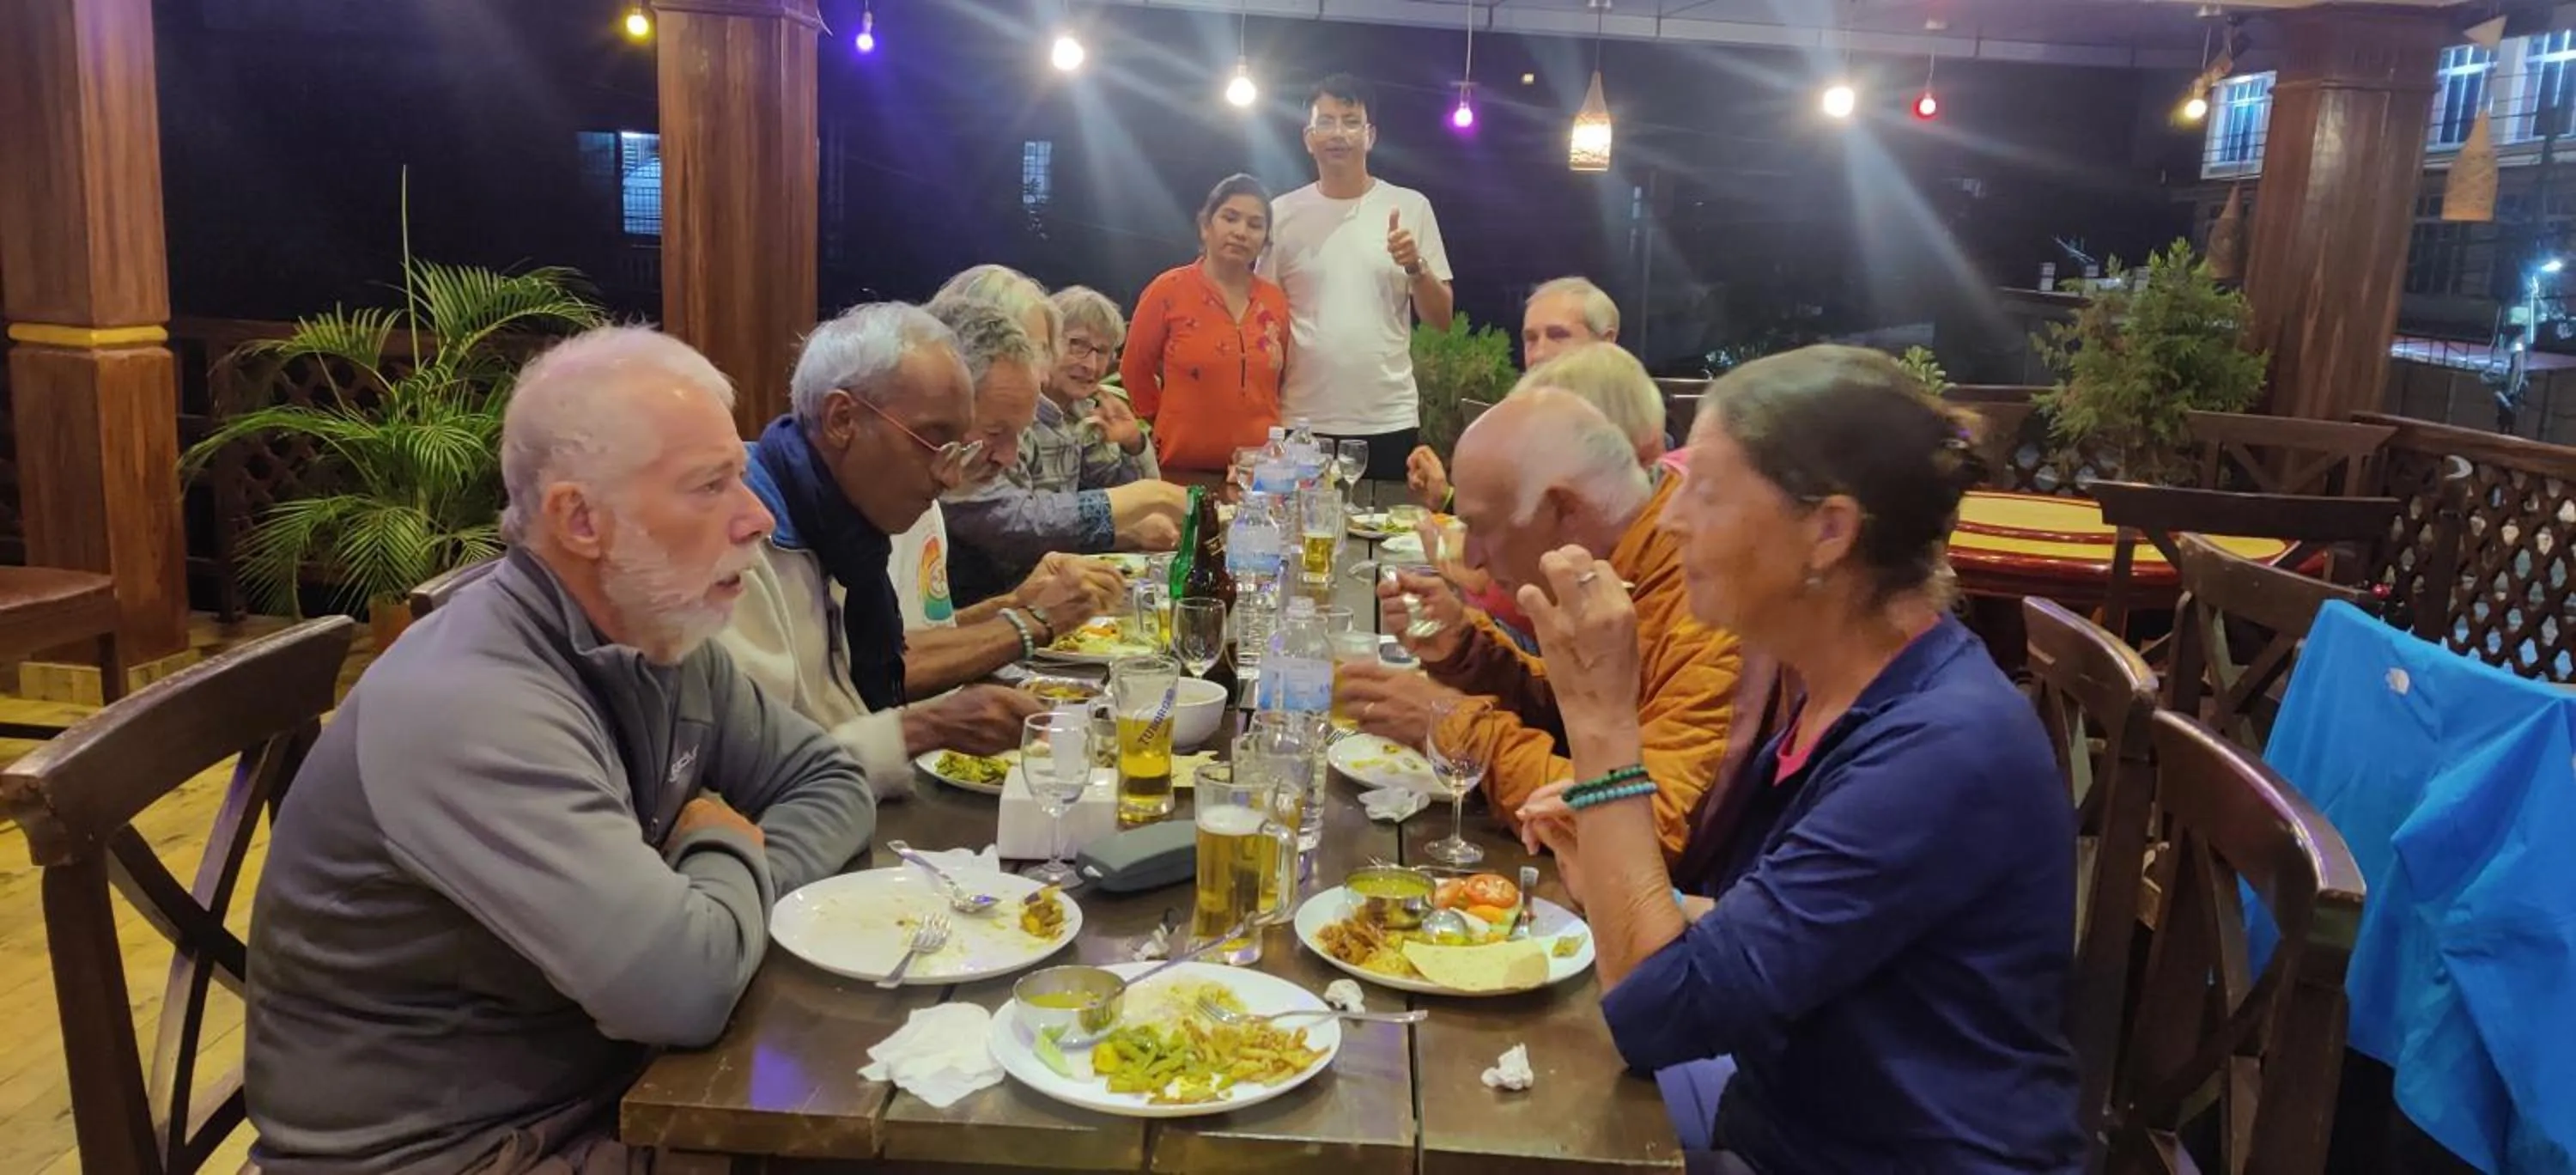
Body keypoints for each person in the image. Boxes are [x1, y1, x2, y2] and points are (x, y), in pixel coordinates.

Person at [246, 327, 880, 1175]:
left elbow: (831, 779)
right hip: (468, 1153)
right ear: (581, 519)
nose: (757, 515)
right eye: (710, 485)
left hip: (615, 1090)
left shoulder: (660, 635)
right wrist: (720, 841)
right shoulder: (472, 708)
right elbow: (684, 993)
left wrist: (716, 909)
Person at [1513, 345, 2084, 1173]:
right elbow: (1783, 929)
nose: (1670, 519)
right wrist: (1616, 866)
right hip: (1789, 1119)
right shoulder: (1839, 689)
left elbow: (1654, 1014)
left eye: (1704, 491)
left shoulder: (1941, 750)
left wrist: (1602, 727)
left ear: (1828, 531)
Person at [1333, 389, 1742, 861]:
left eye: (1481, 527)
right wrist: (1468, 654)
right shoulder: (1629, 557)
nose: (1470, 557)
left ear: (1564, 509)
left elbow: (1649, 832)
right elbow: (1586, 717)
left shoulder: (1702, 596)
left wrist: (1453, 728)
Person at [720, 301, 1089, 801]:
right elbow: (752, 778)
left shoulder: (851, 522)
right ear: (841, 418)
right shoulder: (737, 543)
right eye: (935, 442)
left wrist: (1010, 609)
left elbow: (893, 661)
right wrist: (922, 728)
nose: (952, 474)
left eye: (963, 446)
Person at [939, 265, 1188, 606]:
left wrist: (1134, 447)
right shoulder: (945, 441)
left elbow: (1100, 498)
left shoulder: (1078, 413)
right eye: (1031, 350)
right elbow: (1013, 523)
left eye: (1102, 352)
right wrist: (1146, 499)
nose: (1042, 371)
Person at [1264, 73, 1454, 482]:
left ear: (1370, 136)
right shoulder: (1281, 214)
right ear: (1308, 137)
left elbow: (1441, 319)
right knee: (1300, 540)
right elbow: (1265, 316)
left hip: (1387, 418)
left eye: (1351, 121)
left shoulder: (1410, 206)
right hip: (1301, 418)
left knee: (1385, 543)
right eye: (1327, 121)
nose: (1339, 133)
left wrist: (1416, 267)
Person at [1406, 281, 1631, 509]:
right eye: (1531, 339)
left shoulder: (1633, 436)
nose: (1539, 354)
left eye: (1558, 335)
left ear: (1606, 342)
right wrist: (1445, 498)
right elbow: (1514, 523)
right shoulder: (1526, 421)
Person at [1124, 173, 1291, 476]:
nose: (1241, 232)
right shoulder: (1168, 289)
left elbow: (1280, 381)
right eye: (1230, 218)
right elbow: (1134, 369)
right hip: (1181, 465)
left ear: (1265, 240)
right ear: (1205, 227)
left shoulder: (1275, 302)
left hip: (1258, 472)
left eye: (1255, 225)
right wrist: (1164, 419)